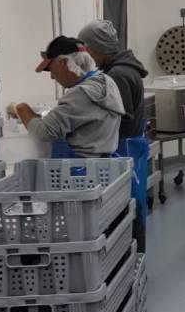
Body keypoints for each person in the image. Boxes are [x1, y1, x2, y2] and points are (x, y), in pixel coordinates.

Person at [78, 19, 151, 250]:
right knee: (132, 202)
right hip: (132, 145)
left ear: (97, 48)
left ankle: (133, 250)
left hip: (124, 147)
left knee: (126, 203)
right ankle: (133, 249)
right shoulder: (124, 69)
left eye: (88, 49)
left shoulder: (118, 74)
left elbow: (120, 118)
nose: (87, 55)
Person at [11, 36, 125, 158]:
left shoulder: (81, 93)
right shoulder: (105, 82)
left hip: (79, 166)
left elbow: (43, 132)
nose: (52, 77)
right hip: (101, 163)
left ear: (64, 63)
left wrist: (21, 108)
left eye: (52, 70)